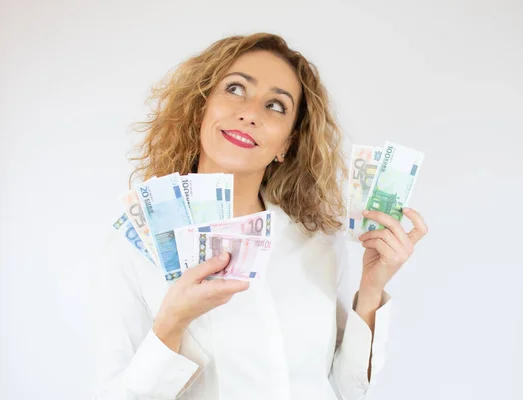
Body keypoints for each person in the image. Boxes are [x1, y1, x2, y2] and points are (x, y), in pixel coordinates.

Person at [91, 32, 428, 400]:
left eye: (276, 106)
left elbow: (347, 388)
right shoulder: (135, 249)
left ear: (287, 144)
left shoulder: (316, 241)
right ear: (200, 107)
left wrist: (372, 287)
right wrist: (172, 324)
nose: (250, 113)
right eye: (235, 89)